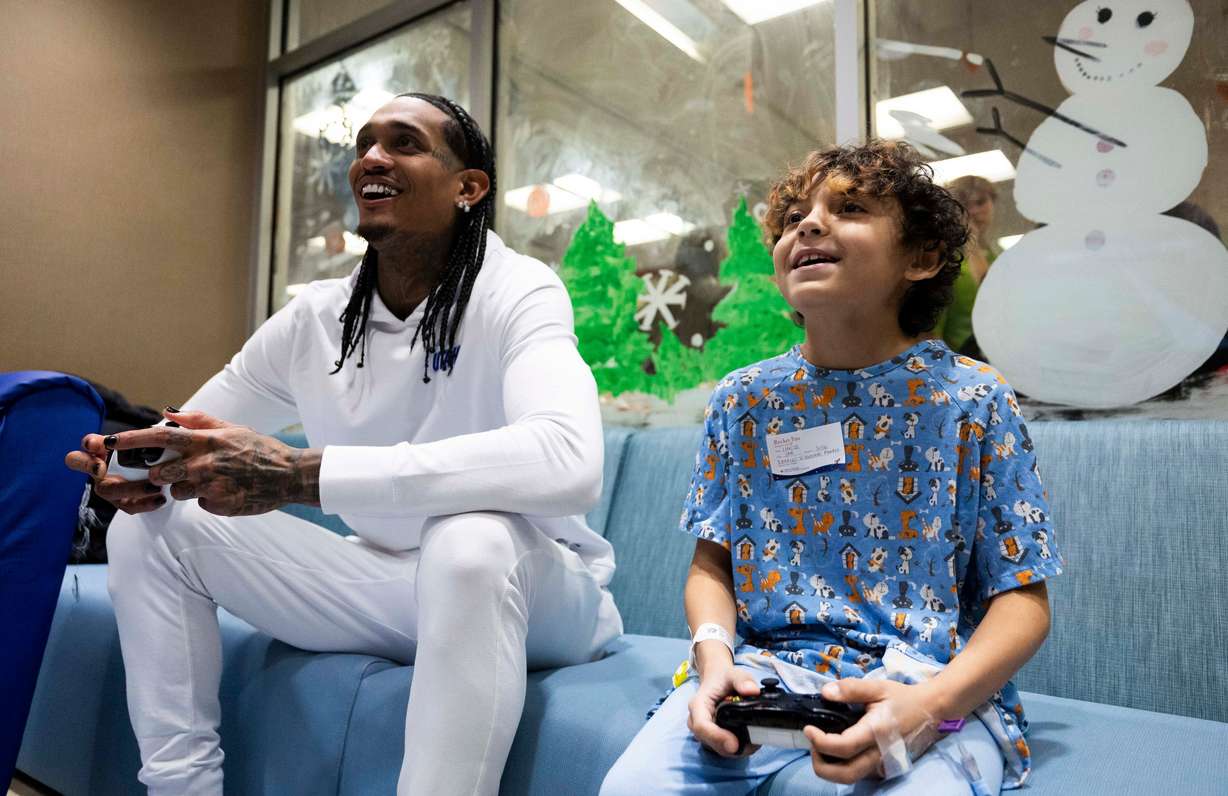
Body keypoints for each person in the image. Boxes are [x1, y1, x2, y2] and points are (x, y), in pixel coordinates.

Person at [64, 93, 622, 796]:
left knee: (469, 539)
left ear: (469, 188)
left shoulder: (519, 289)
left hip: (536, 594)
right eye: (364, 145)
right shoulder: (317, 318)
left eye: (404, 142)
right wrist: (135, 466)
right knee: (155, 530)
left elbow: (568, 460)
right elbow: (190, 435)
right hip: (388, 586)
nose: (372, 158)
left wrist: (304, 474)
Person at [601, 141, 1061, 795]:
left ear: (921, 258)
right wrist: (714, 658)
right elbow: (712, 565)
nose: (808, 225)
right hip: (764, 675)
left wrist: (931, 705)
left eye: (850, 209)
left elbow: (1023, 598)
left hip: (930, 682)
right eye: (793, 218)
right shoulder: (744, 401)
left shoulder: (972, 400)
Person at [934, 175, 1000, 354]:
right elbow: (932, 328)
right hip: (958, 357)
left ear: (992, 203)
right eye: (964, 204)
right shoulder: (944, 259)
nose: (973, 211)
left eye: (980, 202)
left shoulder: (998, 255)